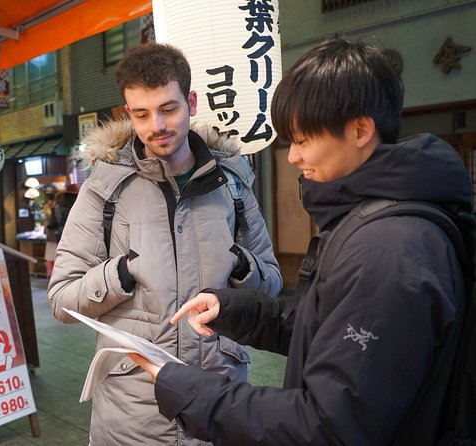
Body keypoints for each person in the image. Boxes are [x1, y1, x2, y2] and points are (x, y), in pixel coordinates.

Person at [130, 37, 473, 445]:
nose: (293, 157)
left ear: (361, 129)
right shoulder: (371, 219)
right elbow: (326, 329)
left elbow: (329, 427)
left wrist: (188, 390)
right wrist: (234, 309)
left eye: (304, 140)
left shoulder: (388, 250)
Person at [48, 41, 282, 445]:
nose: (156, 125)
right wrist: (118, 273)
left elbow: (273, 284)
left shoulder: (233, 185)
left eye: (168, 109)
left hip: (218, 402)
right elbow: (61, 300)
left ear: (190, 101)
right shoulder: (105, 189)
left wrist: (242, 267)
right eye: (141, 114)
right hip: (131, 414)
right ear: (128, 113)